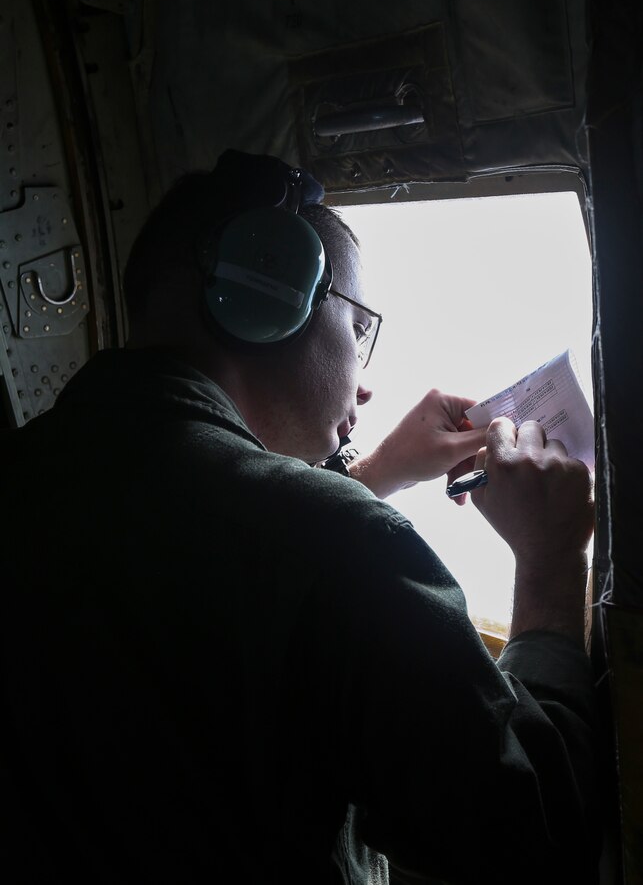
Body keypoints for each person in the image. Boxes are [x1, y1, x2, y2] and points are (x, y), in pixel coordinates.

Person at [0, 148, 600, 884]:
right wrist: (548, 561)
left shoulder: (34, 468)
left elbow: (219, 552)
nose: (364, 378)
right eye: (359, 329)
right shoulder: (336, 542)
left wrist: (369, 476)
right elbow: (531, 832)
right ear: (271, 295)